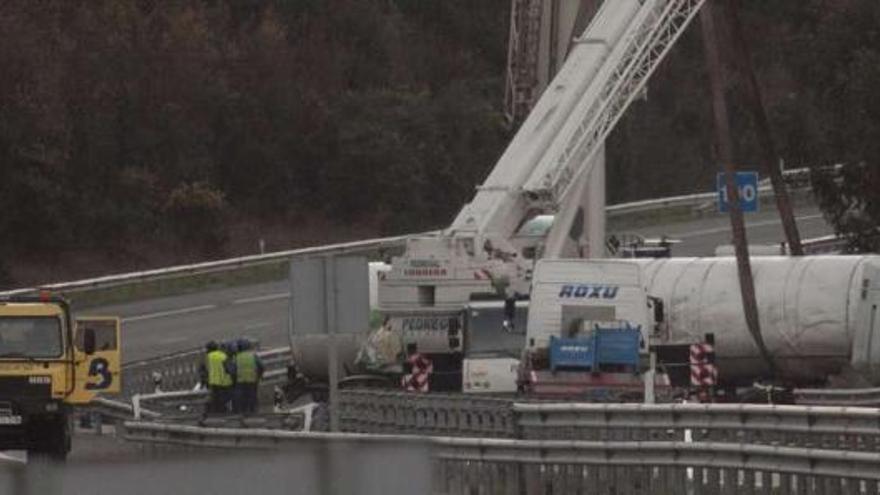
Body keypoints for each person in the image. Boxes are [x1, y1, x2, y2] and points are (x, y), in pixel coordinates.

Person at [233, 338, 264, 414]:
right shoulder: (253, 355)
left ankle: (244, 415)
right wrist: (259, 376)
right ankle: (254, 413)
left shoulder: (236, 357)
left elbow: (233, 370)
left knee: (242, 401)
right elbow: (262, 366)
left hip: (240, 382)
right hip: (252, 381)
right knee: (252, 399)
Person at [202, 341, 233, 414]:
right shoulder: (223, 356)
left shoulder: (208, 357)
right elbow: (229, 369)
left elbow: (205, 370)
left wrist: (205, 380)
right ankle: (226, 411)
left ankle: (216, 413)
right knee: (226, 398)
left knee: (215, 399)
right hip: (225, 382)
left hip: (214, 382)